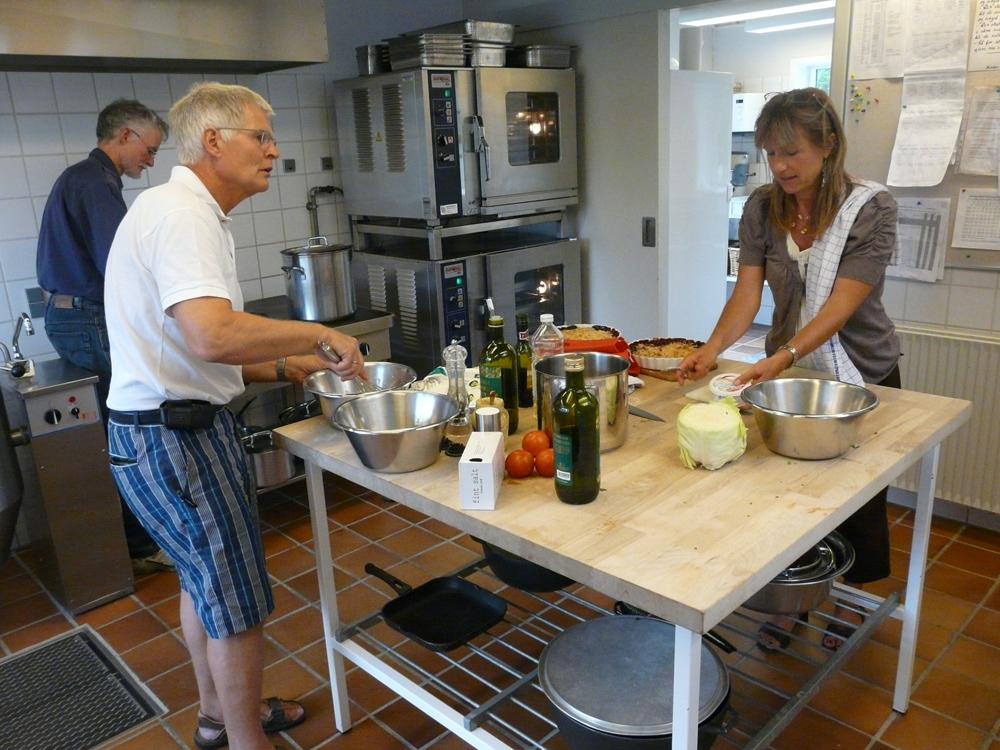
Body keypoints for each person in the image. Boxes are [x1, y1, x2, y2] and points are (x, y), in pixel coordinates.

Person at [103, 82, 366, 750]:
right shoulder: (182, 216)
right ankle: (246, 741)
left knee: (207, 587)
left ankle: (218, 717)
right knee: (237, 603)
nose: (273, 150)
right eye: (261, 136)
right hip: (177, 440)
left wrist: (281, 365)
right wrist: (317, 334)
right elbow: (211, 335)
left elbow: (183, 350)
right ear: (214, 141)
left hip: (162, 431)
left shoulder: (175, 210)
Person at [678, 88, 900, 652]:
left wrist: (781, 357)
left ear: (828, 145)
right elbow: (747, 293)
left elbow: (841, 306)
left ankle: (851, 598)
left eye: (792, 152)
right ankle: (796, 598)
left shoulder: (870, 208)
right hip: (791, 373)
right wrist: (712, 348)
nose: (780, 166)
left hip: (860, 370)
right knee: (789, 493)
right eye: (771, 153)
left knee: (857, 495)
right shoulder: (762, 207)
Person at [36, 98, 173, 574]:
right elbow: (121, 266)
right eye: (150, 150)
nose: (150, 161)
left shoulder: (84, 178)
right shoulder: (95, 183)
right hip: (87, 320)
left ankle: (136, 540)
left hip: (71, 317)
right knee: (133, 425)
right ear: (125, 135)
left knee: (119, 426)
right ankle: (141, 543)